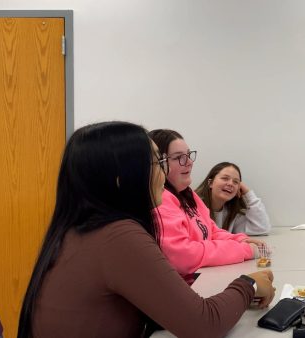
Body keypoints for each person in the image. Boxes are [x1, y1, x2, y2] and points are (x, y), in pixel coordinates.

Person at [17, 121, 276, 338]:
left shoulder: (79, 230)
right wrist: (249, 284)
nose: (164, 172)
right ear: (121, 178)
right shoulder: (118, 237)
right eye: (157, 162)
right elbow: (204, 325)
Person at [148, 129, 266, 284]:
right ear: (158, 163)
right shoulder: (161, 199)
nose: (189, 162)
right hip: (186, 288)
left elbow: (210, 230)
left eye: (189, 155)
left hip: (204, 278)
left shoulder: (187, 193)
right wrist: (244, 250)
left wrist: (240, 240)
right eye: (179, 158)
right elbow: (184, 256)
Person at [195, 162, 271, 235]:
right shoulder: (193, 208)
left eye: (235, 182)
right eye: (225, 178)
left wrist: (247, 193)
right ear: (210, 183)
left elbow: (262, 228)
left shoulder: (232, 213)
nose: (230, 184)